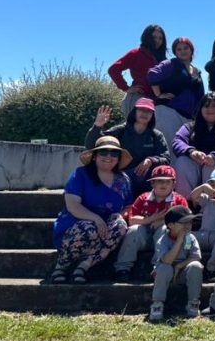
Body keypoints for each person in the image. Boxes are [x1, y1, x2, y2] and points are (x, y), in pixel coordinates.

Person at [50, 136, 133, 284]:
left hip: (104, 228)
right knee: (90, 227)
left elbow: (128, 206)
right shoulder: (81, 174)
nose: (109, 157)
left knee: (120, 225)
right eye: (103, 152)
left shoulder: (123, 179)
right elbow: (73, 205)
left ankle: (84, 266)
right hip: (76, 224)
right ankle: (61, 266)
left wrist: (116, 217)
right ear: (94, 156)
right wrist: (96, 219)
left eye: (114, 153)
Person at [113, 164, 188, 280]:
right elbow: (132, 220)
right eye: (159, 181)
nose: (164, 185)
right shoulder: (143, 198)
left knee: (165, 228)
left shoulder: (179, 200)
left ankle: (157, 268)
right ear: (152, 183)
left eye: (167, 182)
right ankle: (123, 269)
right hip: (144, 237)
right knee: (133, 230)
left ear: (174, 184)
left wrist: (162, 221)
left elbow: (184, 223)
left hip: (166, 240)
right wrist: (153, 218)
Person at [86, 99, 170, 196]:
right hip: (120, 178)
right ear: (134, 112)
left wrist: (151, 160)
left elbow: (166, 159)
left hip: (147, 182)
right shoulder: (121, 130)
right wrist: (97, 126)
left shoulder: (156, 135)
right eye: (141, 110)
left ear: (152, 115)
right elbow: (92, 146)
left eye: (148, 111)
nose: (145, 113)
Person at [148, 205, 204, 322]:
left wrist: (180, 265)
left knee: (196, 266)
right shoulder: (163, 240)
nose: (188, 225)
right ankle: (157, 303)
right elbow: (167, 260)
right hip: (166, 275)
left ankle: (193, 302)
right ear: (170, 225)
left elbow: (196, 256)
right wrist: (179, 240)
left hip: (182, 272)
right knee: (164, 268)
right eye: (183, 222)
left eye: (189, 222)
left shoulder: (190, 238)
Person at [147, 37, 204, 146]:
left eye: (186, 48)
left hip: (189, 117)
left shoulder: (197, 71)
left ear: (191, 49)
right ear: (175, 52)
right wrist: (158, 94)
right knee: (170, 148)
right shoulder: (170, 64)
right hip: (168, 112)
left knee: (185, 149)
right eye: (179, 49)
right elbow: (152, 74)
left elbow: (200, 97)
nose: (183, 51)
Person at [109, 24, 167, 116]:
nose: (157, 40)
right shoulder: (136, 53)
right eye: (154, 37)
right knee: (134, 125)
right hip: (138, 98)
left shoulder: (163, 60)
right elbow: (113, 69)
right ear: (146, 37)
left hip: (155, 101)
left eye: (160, 38)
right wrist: (126, 88)